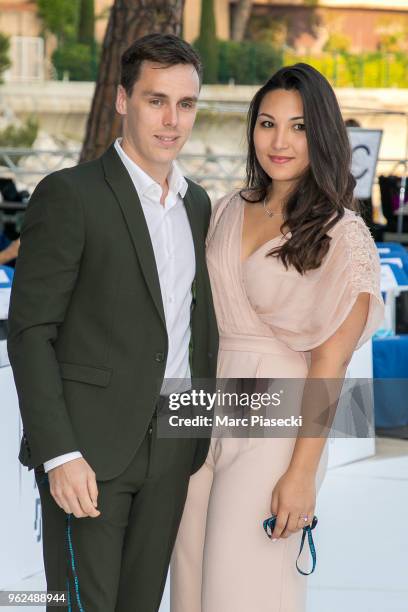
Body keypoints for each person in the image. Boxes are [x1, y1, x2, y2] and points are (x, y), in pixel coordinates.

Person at [7, 34, 218, 611]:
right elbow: (30, 332)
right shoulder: (69, 195)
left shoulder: (198, 205)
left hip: (173, 447)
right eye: (156, 100)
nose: (172, 120)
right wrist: (60, 453)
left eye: (186, 104)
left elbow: (191, 328)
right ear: (122, 101)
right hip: (88, 454)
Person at [171, 63, 384, 611]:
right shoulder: (225, 210)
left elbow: (330, 366)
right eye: (267, 124)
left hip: (276, 427)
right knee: (189, 589)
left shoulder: (342, 232)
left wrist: (302, 473)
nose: (279, 141)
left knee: (240, 592)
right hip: (201, 414)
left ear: (323, 135)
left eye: (299, 127)